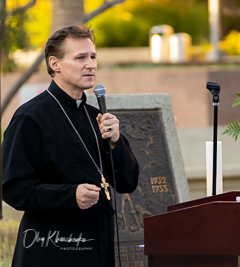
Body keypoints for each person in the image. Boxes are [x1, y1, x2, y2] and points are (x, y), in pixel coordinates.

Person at [2, 23, 140, 267]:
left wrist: (117, 143)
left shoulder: (95, 115)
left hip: (98, 247)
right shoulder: (31, 117)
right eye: (80, 57)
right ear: (55, 64)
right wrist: (70, 195)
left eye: (93, 56)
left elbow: (128, 182)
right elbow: (13, 188)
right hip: (52, 251)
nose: (91, 64)